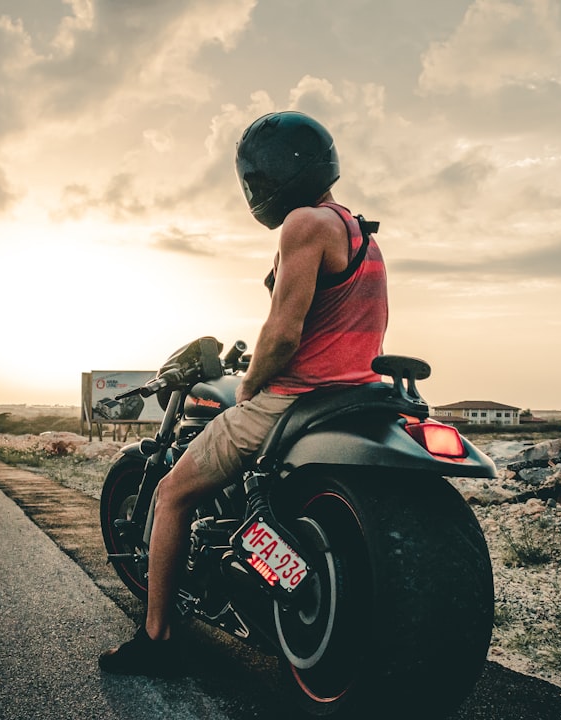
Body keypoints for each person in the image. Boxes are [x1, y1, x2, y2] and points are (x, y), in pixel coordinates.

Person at [99, 111, 389, 677]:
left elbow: (283, 333)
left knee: (172, 491)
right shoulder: (359, 231)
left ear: (270, 176)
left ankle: (157, 640)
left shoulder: (304, 224)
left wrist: (252, 384)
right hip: (357, 394)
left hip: (296, 398)